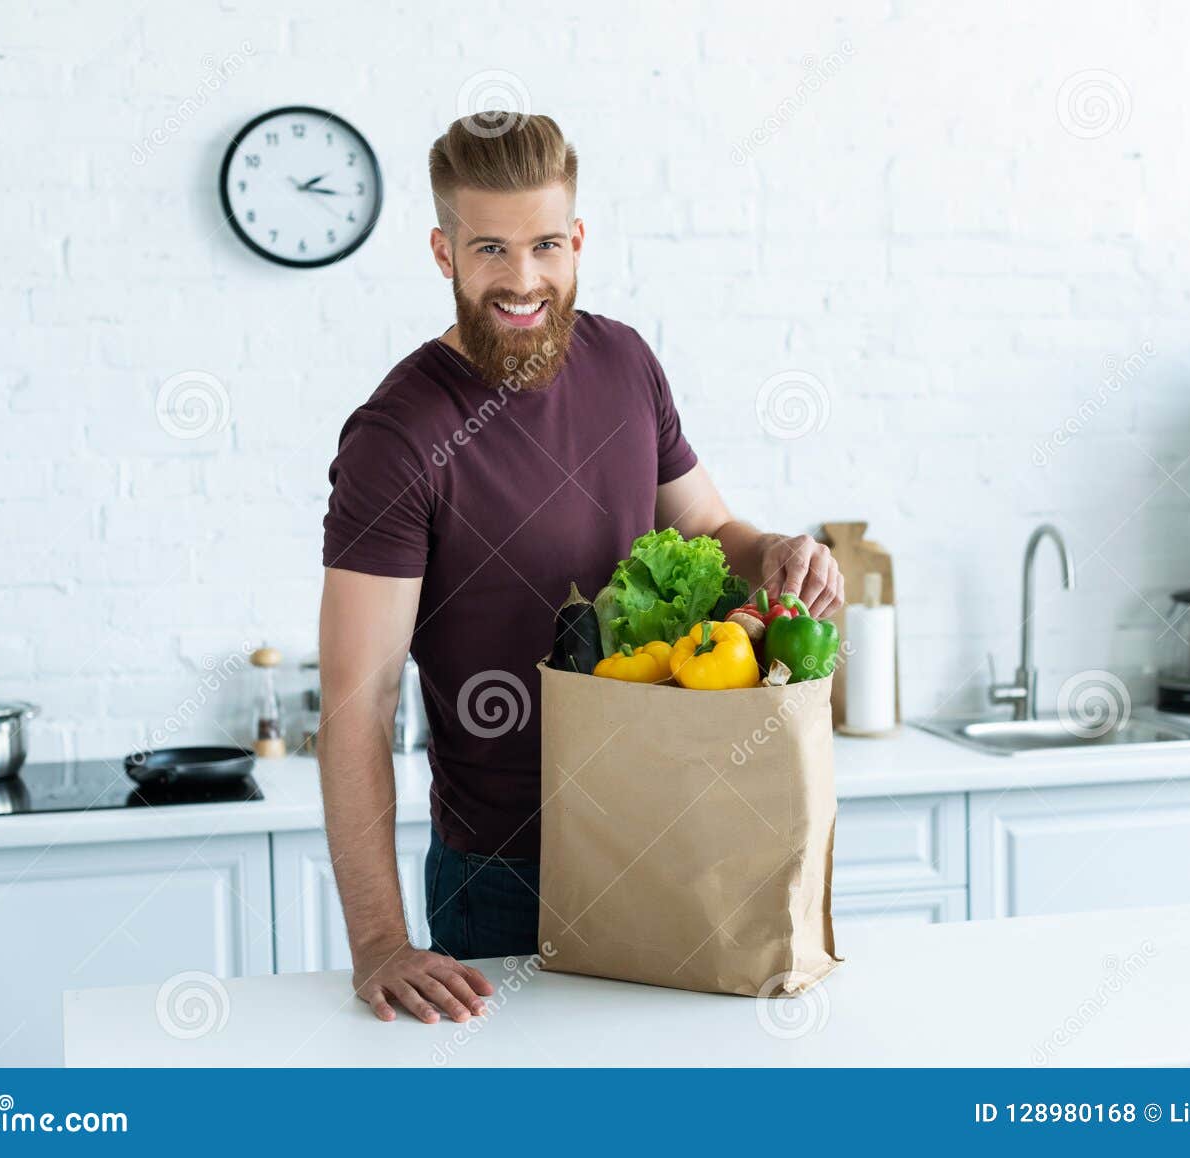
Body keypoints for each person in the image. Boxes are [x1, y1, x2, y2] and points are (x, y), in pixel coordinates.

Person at [318, 112, 843, 1025]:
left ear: (578, 241)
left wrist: (776, 552)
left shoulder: (625, 361)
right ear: (443, 253)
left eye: (545, 246)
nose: (523, 281)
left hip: (675, 820)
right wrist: (378, 944)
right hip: (511, 870)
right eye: (490, 249)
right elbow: (355, 708)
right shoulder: (398, 436)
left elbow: (711, 526)